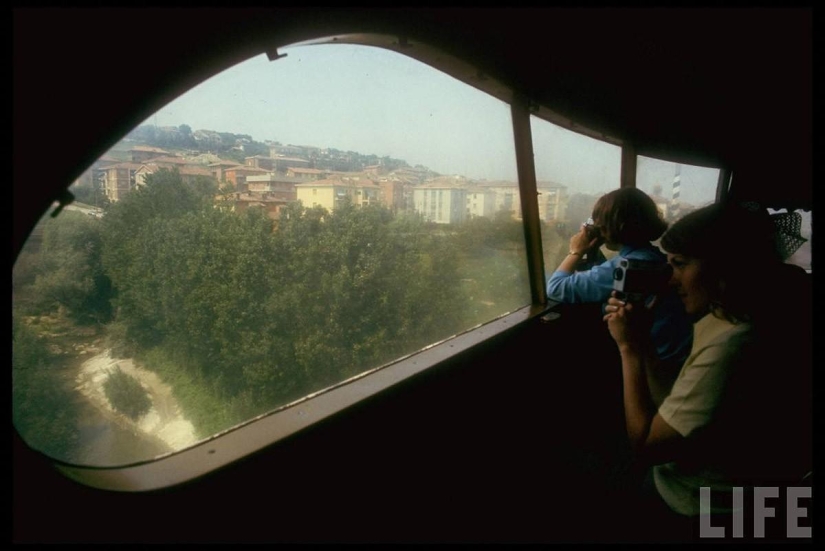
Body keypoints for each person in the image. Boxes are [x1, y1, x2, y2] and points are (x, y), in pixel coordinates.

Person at [603, 202, 812, 541]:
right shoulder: (725, 315)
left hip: (699, 509)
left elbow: (646, 445)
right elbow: (676, 402)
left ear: (724, 264)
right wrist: (643, 345)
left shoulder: (735, 342)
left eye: (681, 264)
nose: (671, 280)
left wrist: (627, 350)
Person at [546, 187, 694, 394]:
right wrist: (594, 251)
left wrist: (576, 251)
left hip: (655, 364)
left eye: (600, 223)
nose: (597, 227)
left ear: (616, 226)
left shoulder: (628, 264)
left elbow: (555, 288)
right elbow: (607, 277)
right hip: (674, 354)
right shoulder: (651, 257)